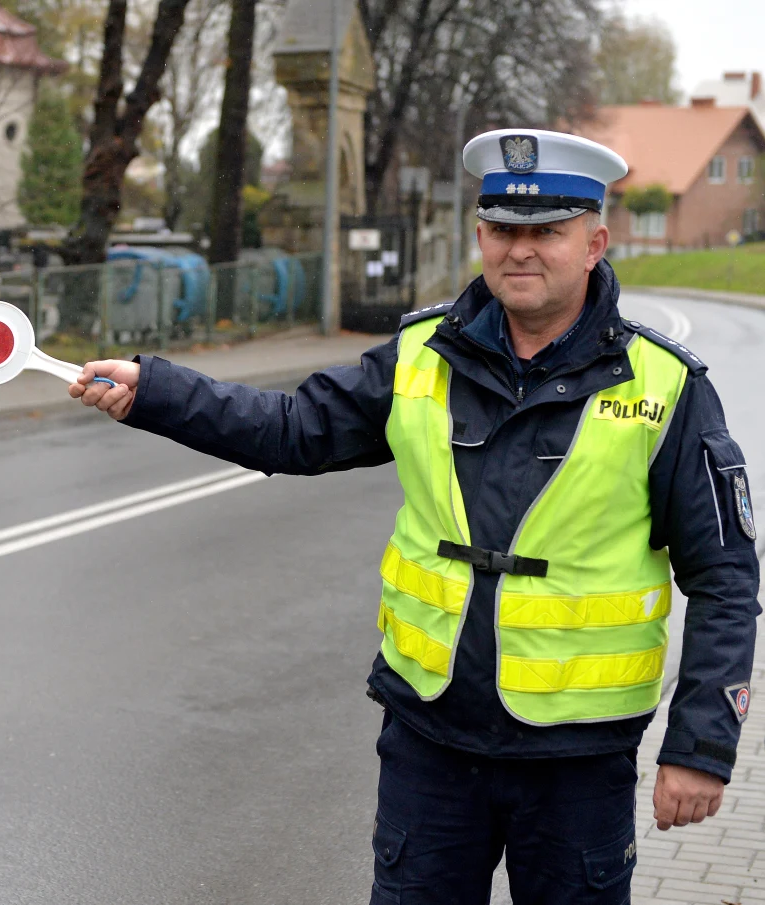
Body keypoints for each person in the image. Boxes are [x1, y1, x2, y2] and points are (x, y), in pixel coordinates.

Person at [67, 129, 760, 904]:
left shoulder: (666, 387)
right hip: (432, 746)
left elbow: (726, 577)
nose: (519, 251)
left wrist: (701, 744)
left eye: (547, 232)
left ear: (595, 241)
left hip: (578, 764)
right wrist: (155, 392)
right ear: (479, 235)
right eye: (502, 229)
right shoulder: (422, 353)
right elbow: (293, 427)